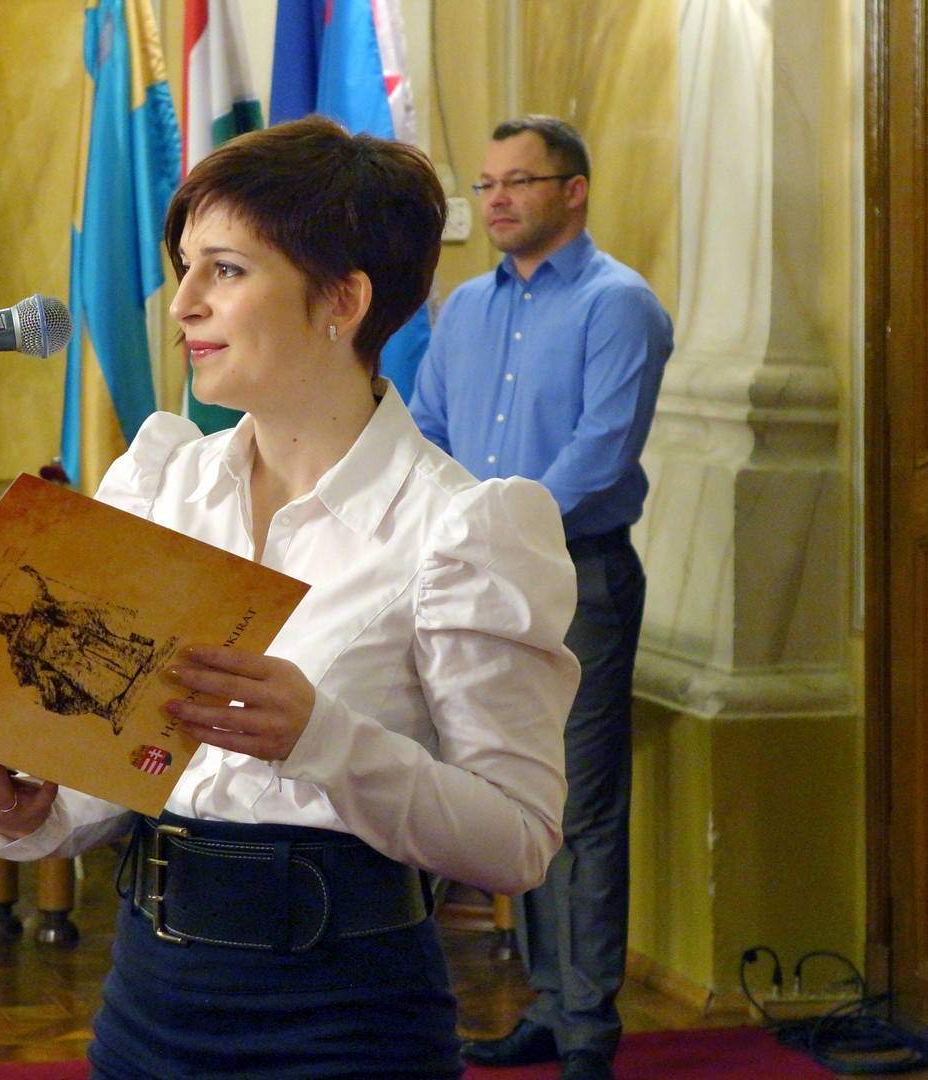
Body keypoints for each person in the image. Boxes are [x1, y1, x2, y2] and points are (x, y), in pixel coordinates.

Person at [0, 115, 582, 1079]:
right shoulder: (160, 486)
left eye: (225, 270)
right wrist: (28, 808)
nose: (182, 305)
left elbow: (517, 842)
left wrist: (324, 738)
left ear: (342, 299)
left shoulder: (464, 527)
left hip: (344, 1017)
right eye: (185, 268)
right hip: (149, 999)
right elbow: (123, 769)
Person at [408, 116, 673, 1080]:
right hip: (475, 578)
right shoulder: (464, 309)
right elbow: (430, 431)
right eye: (485, 185)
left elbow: (600, 454)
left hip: (577, 576)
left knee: (584, 808)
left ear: (575, 190)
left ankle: (587, 1028)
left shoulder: (619, 304)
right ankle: (547, 1007)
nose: (497, 200)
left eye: (519, 181)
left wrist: (499, 538)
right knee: (512, 793)